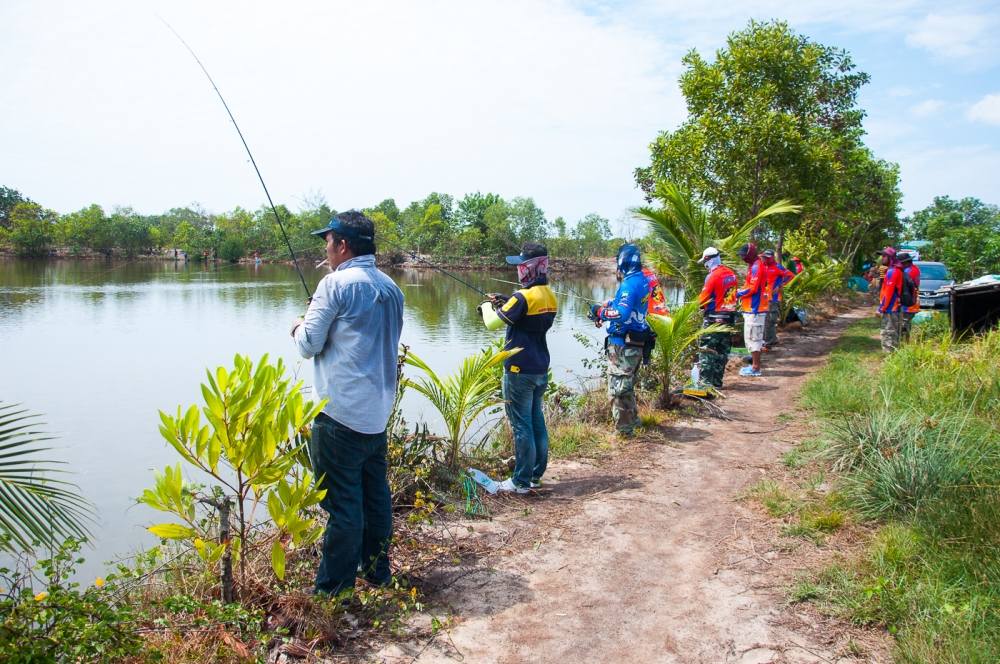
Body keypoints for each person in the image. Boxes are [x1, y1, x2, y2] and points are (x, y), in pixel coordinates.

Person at [290, 210, 405, 596]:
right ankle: (377, 571)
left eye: (328, 242)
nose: (326, 250)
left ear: (342, 245)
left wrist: (298, 325)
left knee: (342, 508)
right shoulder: (393, 288)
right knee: (375, 500)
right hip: (376, 414)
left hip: (339, 415)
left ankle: (333, 591)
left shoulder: (334, 285)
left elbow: (308, 345)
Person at [486, 243, 557, 494]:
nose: (518, 269)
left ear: (529, 267)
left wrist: (488, 307)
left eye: (520, 264)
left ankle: (520, 482)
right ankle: (535, 475)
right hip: (539, 369)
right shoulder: (549, 295)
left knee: (521, 425)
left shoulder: (522, 297)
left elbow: (492, 323)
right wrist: (506, 302)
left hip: (518, 371)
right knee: (537, 421)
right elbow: (526, 317)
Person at [588, 244, 653, 436]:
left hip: (624, 345)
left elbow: (622, 314)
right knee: (627, 386)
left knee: (618, 389)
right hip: (635, 342)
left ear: (623, 262)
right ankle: (633, 421)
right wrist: (609, 306)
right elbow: (624, 306)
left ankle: (624, 431)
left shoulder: (629, 283)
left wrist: (600, 311)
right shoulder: (642, 280)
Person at [695, 246, 738, 389]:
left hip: (714, 319)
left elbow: (702, 300)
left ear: (709, 260)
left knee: (707, 350)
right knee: (722, 351)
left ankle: (705, 384)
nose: (705, 265)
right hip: (729, 318)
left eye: (705, 262)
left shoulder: (712, 276)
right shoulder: (731, 274)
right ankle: (717, 383)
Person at [735, 242, 772, 377]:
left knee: (753, 338)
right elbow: (748, 284)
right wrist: (739, 290)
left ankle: (756, 367)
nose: (742, 258)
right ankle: (754, 364)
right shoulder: (752, 266)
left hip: (755, 308)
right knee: (752, 337)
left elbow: (753, 288)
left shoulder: (757, 267)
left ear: (750, 254)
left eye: (744, 256)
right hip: (751, 307)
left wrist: (737, 294)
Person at [762, 250, 796, 349]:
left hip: (774, 298)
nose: (766, 259)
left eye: (768, 257)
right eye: (765, 257)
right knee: (766, 320)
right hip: (763, 298)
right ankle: (770, 340)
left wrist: (780, 285)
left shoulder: (778, 267)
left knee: (770, 319)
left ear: (772, 257)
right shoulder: (762, 267)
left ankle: (769, 341)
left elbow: (791, 276)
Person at [876, 247, 902, 352]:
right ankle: (892, 355)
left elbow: (889, 293)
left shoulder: (893, 272)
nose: (882, 258)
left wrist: (881, 308)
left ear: (890, 257)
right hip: (892, 307)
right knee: (892, 332)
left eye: (884, 256)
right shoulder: (894, 270)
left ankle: (889, 357)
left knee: (888, 333)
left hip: (891, 307)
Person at [898, 252, 921, 341]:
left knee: (904, 323)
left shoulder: (908, 271)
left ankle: (903, 342)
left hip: (908, 302)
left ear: (905, 263)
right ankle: (905, 341)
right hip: (912, 300)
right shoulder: (915, 269)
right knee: (907, 322)